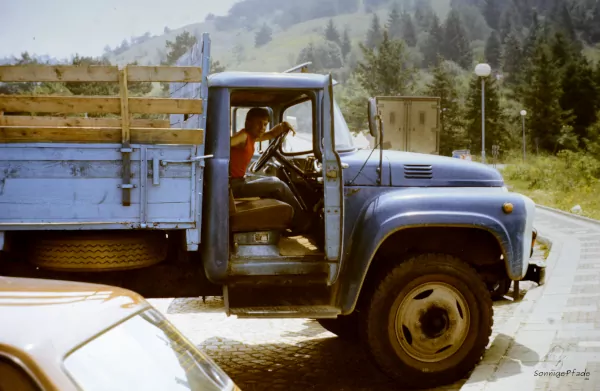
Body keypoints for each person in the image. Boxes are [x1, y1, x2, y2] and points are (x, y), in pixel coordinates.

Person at [229, 107, 311, 234]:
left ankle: (283, 220)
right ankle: (302, 223)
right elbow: (224, 144)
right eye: (258, 124)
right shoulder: (244, 136)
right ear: (248, 123)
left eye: (265, 124)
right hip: (233, 185)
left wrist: (283, 126)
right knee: (278, 185)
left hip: (239, 180)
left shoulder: (252, 137)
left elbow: (271, 134)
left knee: (272, 181)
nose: (262, 128)